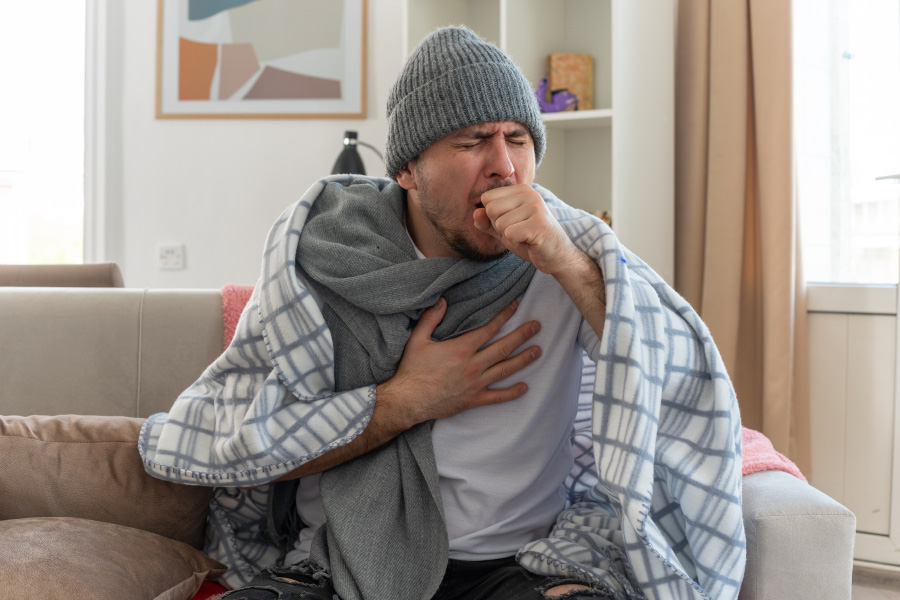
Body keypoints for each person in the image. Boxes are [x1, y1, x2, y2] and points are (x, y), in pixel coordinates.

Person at [140, 26, 745, 600]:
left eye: (519, 139)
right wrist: (408, 398)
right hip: (335, 558)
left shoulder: (572, 255)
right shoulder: (320, 262)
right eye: (473, 140)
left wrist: (565, 263)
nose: (504, 166)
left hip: (520, 564)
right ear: (407, 170)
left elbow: (675, 377)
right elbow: (248, 446)